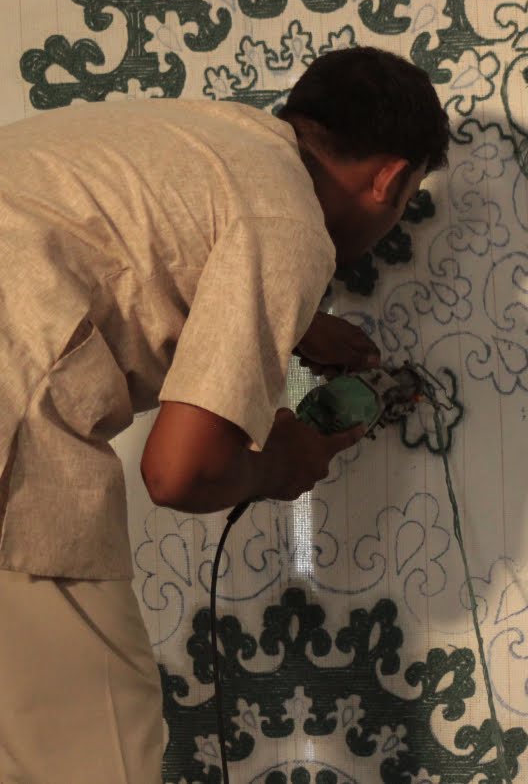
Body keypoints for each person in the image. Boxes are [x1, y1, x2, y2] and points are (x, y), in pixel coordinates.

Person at [0, 46, 449, 783]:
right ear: (390, 180)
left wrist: (296, 322)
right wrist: (283, 461)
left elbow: (140, 243)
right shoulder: (288, 220)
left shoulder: (213, 136)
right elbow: (180, 472)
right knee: (90, 746)